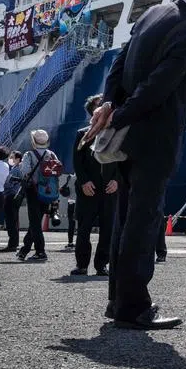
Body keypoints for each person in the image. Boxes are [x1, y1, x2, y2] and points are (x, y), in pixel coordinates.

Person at [86, 0, 186, 329]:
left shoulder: (154, 12)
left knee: (125, 219)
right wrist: (117, 115)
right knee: (144, 221)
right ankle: (134, 306)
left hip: (129, 139)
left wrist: (108, 103)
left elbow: (118, 64)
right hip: (154, 139)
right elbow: (158, 89)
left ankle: (117, 301)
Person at [71, 95, 117, 276]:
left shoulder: (116, 133)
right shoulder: (83, 134)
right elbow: (77, 161)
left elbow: (122, 161)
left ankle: (101, 265)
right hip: (87, 190)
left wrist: (117, 181)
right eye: (101, 105)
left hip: (109, 189)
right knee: (84, 229)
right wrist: (83, 181)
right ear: (93, 111)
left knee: (108, 230)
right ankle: (81, 265)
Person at [16, 130, 57, 262]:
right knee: (36, 221)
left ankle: (40, 251)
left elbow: (25, 171)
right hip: (47, 191)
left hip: (33, 191)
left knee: (34, 222)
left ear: (33, 141)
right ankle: (25, 249)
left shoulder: (29, 154)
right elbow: (57, 171)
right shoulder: (51, 154)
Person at [0, 150, 23, 252]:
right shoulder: (19, 169)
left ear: (18, 159)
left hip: (11, 196)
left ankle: (12, 244)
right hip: (16, 196)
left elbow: (8, 184)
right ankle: (14, 242)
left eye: (12, 157)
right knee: (14, 220)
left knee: (10, 221)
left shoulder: (15, 170)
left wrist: (4, 186)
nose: (10, 159)